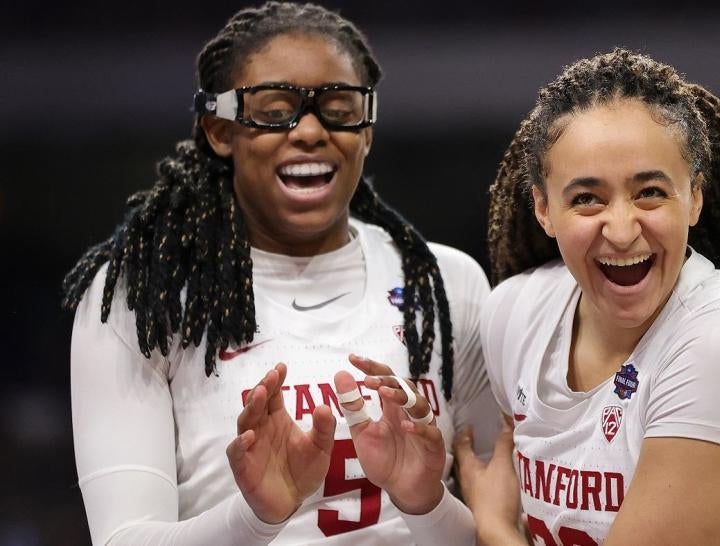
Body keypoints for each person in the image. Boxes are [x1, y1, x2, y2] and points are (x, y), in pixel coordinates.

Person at [63, 2, 499, 544]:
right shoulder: (140, 296)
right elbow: (122, 538)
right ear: (220, 130)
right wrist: (255, 516)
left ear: (367, 131)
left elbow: (498, 531)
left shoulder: (447, 285)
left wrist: (426, 502)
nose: (311, 131)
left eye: (340, 108)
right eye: (276, 111)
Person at [454, 49, 720, 545]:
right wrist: (422, 500)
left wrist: (495, 529)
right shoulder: (514, 314)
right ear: (543, 208)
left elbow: (495, 517)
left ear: (694, 196)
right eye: (587, 198)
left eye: (650, 191)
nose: (623, 230)